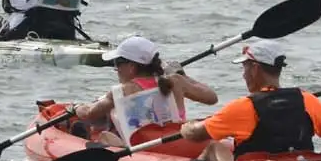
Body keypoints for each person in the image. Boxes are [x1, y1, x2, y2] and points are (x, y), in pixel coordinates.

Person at [179, 39, 321, 161]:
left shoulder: (242, 107)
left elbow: (196, 135)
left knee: (214, 147)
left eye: (245, 67)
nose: (243, 74)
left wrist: (187, 126)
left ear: (255, 68)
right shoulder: (307, 100)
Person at [66, 36, 217, 148]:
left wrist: (76, 107)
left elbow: (89, 113)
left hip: (144, 148)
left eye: (117, 63)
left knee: (105, 135)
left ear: (131, 67)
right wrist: (183, 76)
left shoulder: (122, 91)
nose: (115, 69)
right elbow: (212, 98)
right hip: (177, 143)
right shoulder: (175, 81)